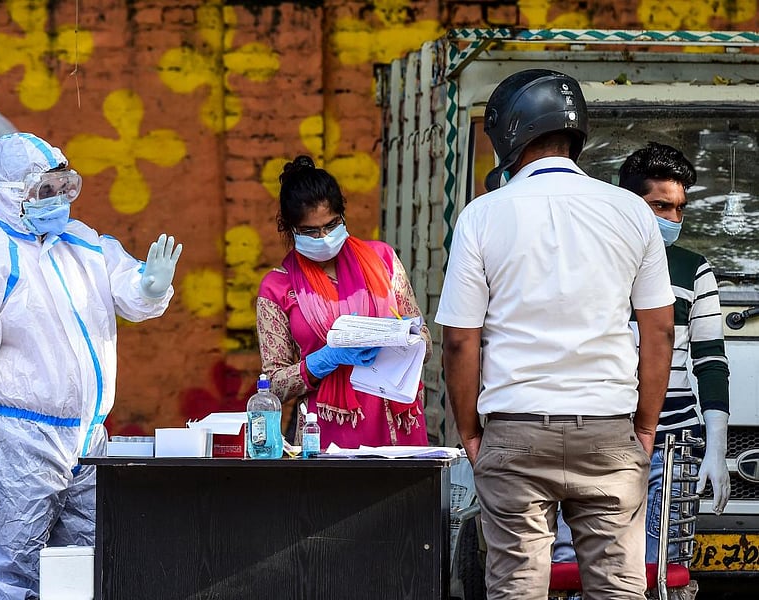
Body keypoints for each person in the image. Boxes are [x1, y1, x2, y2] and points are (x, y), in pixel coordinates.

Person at [435, 70, 675, 600]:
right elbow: (658, 329)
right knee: (618, 589)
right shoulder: (631, 211)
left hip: (516, 430)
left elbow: (459, 339)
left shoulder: (482, 216)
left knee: (518, 588)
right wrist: (644, 428)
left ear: (509, 135)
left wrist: (472, 432)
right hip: (609, 431)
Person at [0, 132, 183, 599]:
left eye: (66, 186)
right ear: (13, 192)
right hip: (17, 445)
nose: (61, 199)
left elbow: (126, 287)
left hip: (87, 440)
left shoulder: (82, 242)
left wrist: (148, 285)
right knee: (12, 575)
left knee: (92, 566)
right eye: (47, 190)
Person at [553, 142, 731, 564]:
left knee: (665, 569)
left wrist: (717, 452)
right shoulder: (591, 262)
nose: (672, 219)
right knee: (580, 566)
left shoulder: (693, 269)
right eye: (659, 206)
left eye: (679, 209)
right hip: (598, 437)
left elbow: (710, 363)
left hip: (673, 445)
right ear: (627, 203)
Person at [256, 155, 431, 448]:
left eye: (331, 224)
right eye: (310, 231)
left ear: (343, 216)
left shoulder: (383, 260)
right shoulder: (277, 287)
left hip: (396, 426)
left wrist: (405, 338)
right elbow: (272, 384)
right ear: (289, 229)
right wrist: (325, 359)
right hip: (325, 434)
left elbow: (425, 341)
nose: (323, 237)